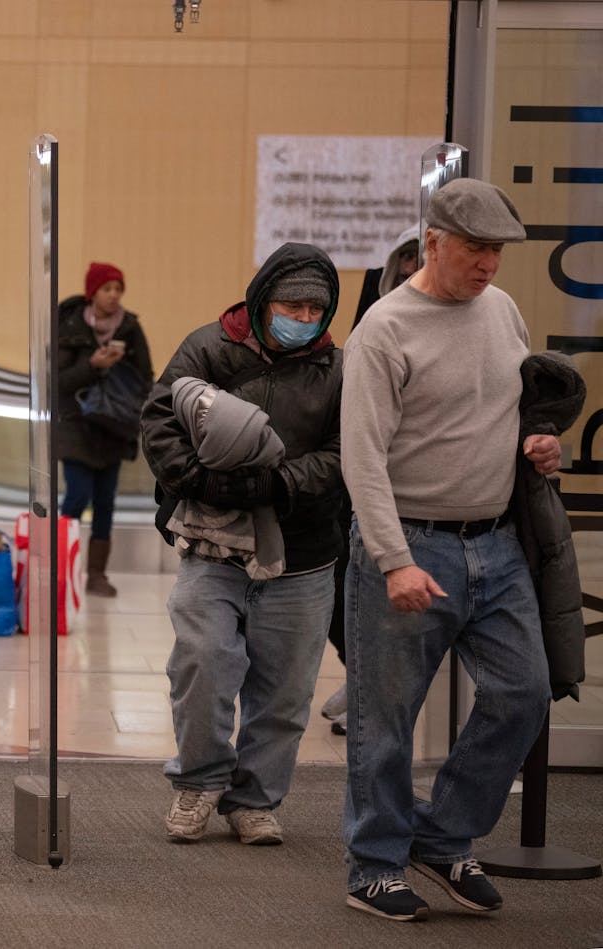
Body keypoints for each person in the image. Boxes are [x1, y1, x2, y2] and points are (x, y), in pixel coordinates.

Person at [340, 178, 556, 922]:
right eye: (474, 248)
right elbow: (361, 458)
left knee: (525, 692)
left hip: (494, 546)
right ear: (433, 240)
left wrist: (536, 443)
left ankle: (442, 835)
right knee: (384, 717)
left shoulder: (503, 311)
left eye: (497, 251)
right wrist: (394, 558)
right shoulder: (385, 329)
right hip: (409, 543)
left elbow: (506, 406)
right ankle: (374, 863)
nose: (489, 264)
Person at [141, 243, 343, 846]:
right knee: (202, 663)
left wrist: (279, 483)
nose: (304, 318)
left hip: (304, 551)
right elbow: (158, 418)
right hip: (214, 546)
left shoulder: (340, 368)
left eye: (316, 309)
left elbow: (346, 453)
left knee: (284, 691)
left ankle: (254, 800)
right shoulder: (208, 347)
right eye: (292, 304)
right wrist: (197, 478)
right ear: (261, 301)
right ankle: (198, 783)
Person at [320, 226, 424, 735]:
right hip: (355, 487)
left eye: (418, 257)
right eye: (403, 258)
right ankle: (359, 678)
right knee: (340, 596)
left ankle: (369, 694)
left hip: (416, 497)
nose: (410, 268)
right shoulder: (372, 324)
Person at [56, 262, 153, 597]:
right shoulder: (68, 325)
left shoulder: (129, 327)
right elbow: (58, 381)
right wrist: (92, 367)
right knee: (77, 494)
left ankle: (96, 573)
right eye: (107, 289)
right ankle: (58, 563)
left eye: (118, 289)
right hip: (76, 424)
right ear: (92, 292)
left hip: (114, 425)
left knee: (105, 501)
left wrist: (122, 376)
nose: (113, 295)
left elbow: (145, 377)